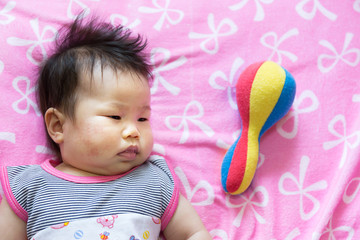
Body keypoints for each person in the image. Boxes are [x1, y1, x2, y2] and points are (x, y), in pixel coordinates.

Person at [0, 15, 212, 240]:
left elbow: (193, 233)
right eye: (115, 116)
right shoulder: (29, 188)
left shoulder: (153, 181)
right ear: (58, 125)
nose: (134, 131)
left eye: (143, 119)